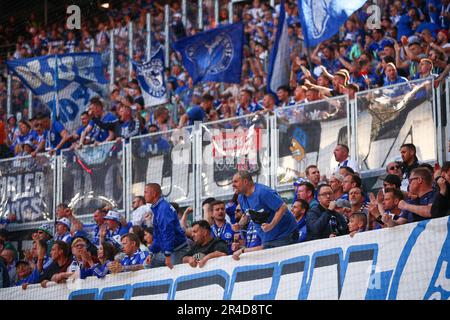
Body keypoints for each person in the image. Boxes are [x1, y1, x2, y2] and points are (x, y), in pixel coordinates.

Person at [232, 171, 299, 249]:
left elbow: (282, 207)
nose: (233, 185)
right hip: (267, 238)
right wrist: (239, 225)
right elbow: (246, 215)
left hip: (285, 234)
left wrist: (271, 225)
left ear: (245, 181)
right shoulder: (241, 197)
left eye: (236, 182)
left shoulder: (263, 192)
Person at [143, 183, 190, 269]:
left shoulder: (163, 208)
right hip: (168, 251)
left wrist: (167, 255)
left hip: (178, 250)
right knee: (148, 263)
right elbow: (157, 235)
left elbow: (168, 233)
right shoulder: (157, 207)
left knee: (173, 272)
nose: (144, 195)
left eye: (146, 192)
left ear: (154, 193)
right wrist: (152, 252)